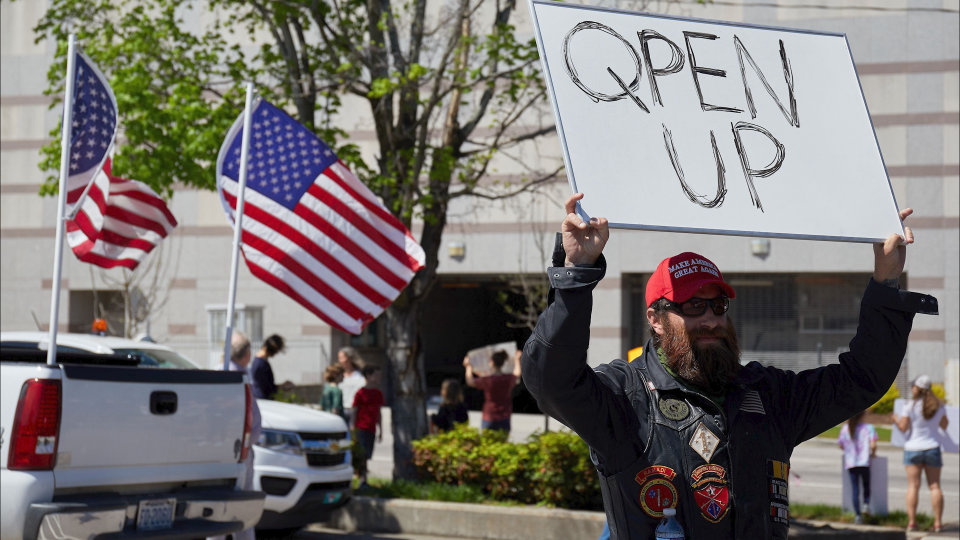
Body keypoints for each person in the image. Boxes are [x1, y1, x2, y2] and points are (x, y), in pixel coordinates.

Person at [521, 192, 937, 539]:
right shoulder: (624, 397)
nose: (711, 319)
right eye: (693, 306)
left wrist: (886, 281)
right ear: (655, 319)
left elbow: (861, 379)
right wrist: (577, 276)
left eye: (719, 305)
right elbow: (551, 380)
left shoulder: (767, 394)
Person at [210, 331, 261, 540]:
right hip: (238, 450)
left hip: (220, 449)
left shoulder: (218, 373)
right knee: (241, 508)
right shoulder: (239, 378)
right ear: (247, 354)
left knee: (217, 506)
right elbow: (252, 420)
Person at [892, 374, 949, 533]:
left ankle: (912, 523)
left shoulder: (909, 406)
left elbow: (903, 428)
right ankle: (937, 523)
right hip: (932, 448)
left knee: (913, 487)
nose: (912, 388)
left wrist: (896, 420)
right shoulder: (939, 405)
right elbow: (944, 425)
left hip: (913, 449)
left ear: (918, 389)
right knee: (935, 486)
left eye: (913, 386)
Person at [464, 349, 523, 433]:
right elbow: (517, 374)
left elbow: (470, 381)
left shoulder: (488, 380)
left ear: (491, 363)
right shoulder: (507, 379)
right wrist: (517, 360)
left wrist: (468, 367)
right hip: (504, 416)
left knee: (487, 443)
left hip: (489, 416)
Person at [837, 410, 877, 523]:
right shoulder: (868, 428)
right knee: (866, 485)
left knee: (855, 489)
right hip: (864, 462)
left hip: (851, 462)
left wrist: (848, 450)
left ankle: (858, 515)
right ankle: (866, 504)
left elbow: (840, 445)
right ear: (863, 415)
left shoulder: (845, 428)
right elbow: (873, 445)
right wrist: (873, 454)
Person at [352, 364, 384, 487]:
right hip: (361, 427)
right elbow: (355, 410)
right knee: (362, 455)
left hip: (371, 428)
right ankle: (362, 480)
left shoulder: (378, 393)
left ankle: (363, 478)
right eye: (376, 375)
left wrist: (381, 430)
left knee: (368, 454)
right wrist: (353, 427)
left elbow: (379, 413)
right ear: (368, 376)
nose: (378, 378)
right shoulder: (360, 393)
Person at [249, 334, 294, 399]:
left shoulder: (261, 363)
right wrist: (282, 387)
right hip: (263, 401)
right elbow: (266, 389)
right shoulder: (260, 364)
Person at [338, 346, 366, 426]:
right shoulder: (338, 376)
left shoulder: (359, 375)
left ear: (349, 359)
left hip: (355, 411)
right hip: (342, 411)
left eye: (341, 358)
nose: (340, 361)